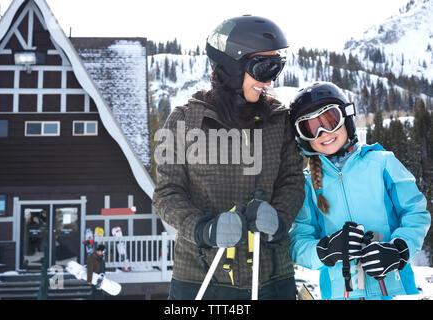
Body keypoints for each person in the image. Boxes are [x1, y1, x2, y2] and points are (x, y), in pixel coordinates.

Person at [153, 15, 305, 300]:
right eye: (263, 67)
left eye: (277, 67)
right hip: (201, 277)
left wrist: (279, 218)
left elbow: (292, 181)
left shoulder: (279, 120)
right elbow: (166, 193)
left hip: (272, 277)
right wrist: (203, 229)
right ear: (233, 67)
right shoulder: (185, 121)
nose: (270, 79)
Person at [288, 81, 431, 300]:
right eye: (311, 127)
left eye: (330, 120)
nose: (324, 133)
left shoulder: (382, 163)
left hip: (396, 292)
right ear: (303, 138)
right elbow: (298, 241)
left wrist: (398, 250)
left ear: (346, 118)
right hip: (339, 294)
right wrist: (325, 250)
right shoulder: (307, 185)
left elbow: (415, 213)